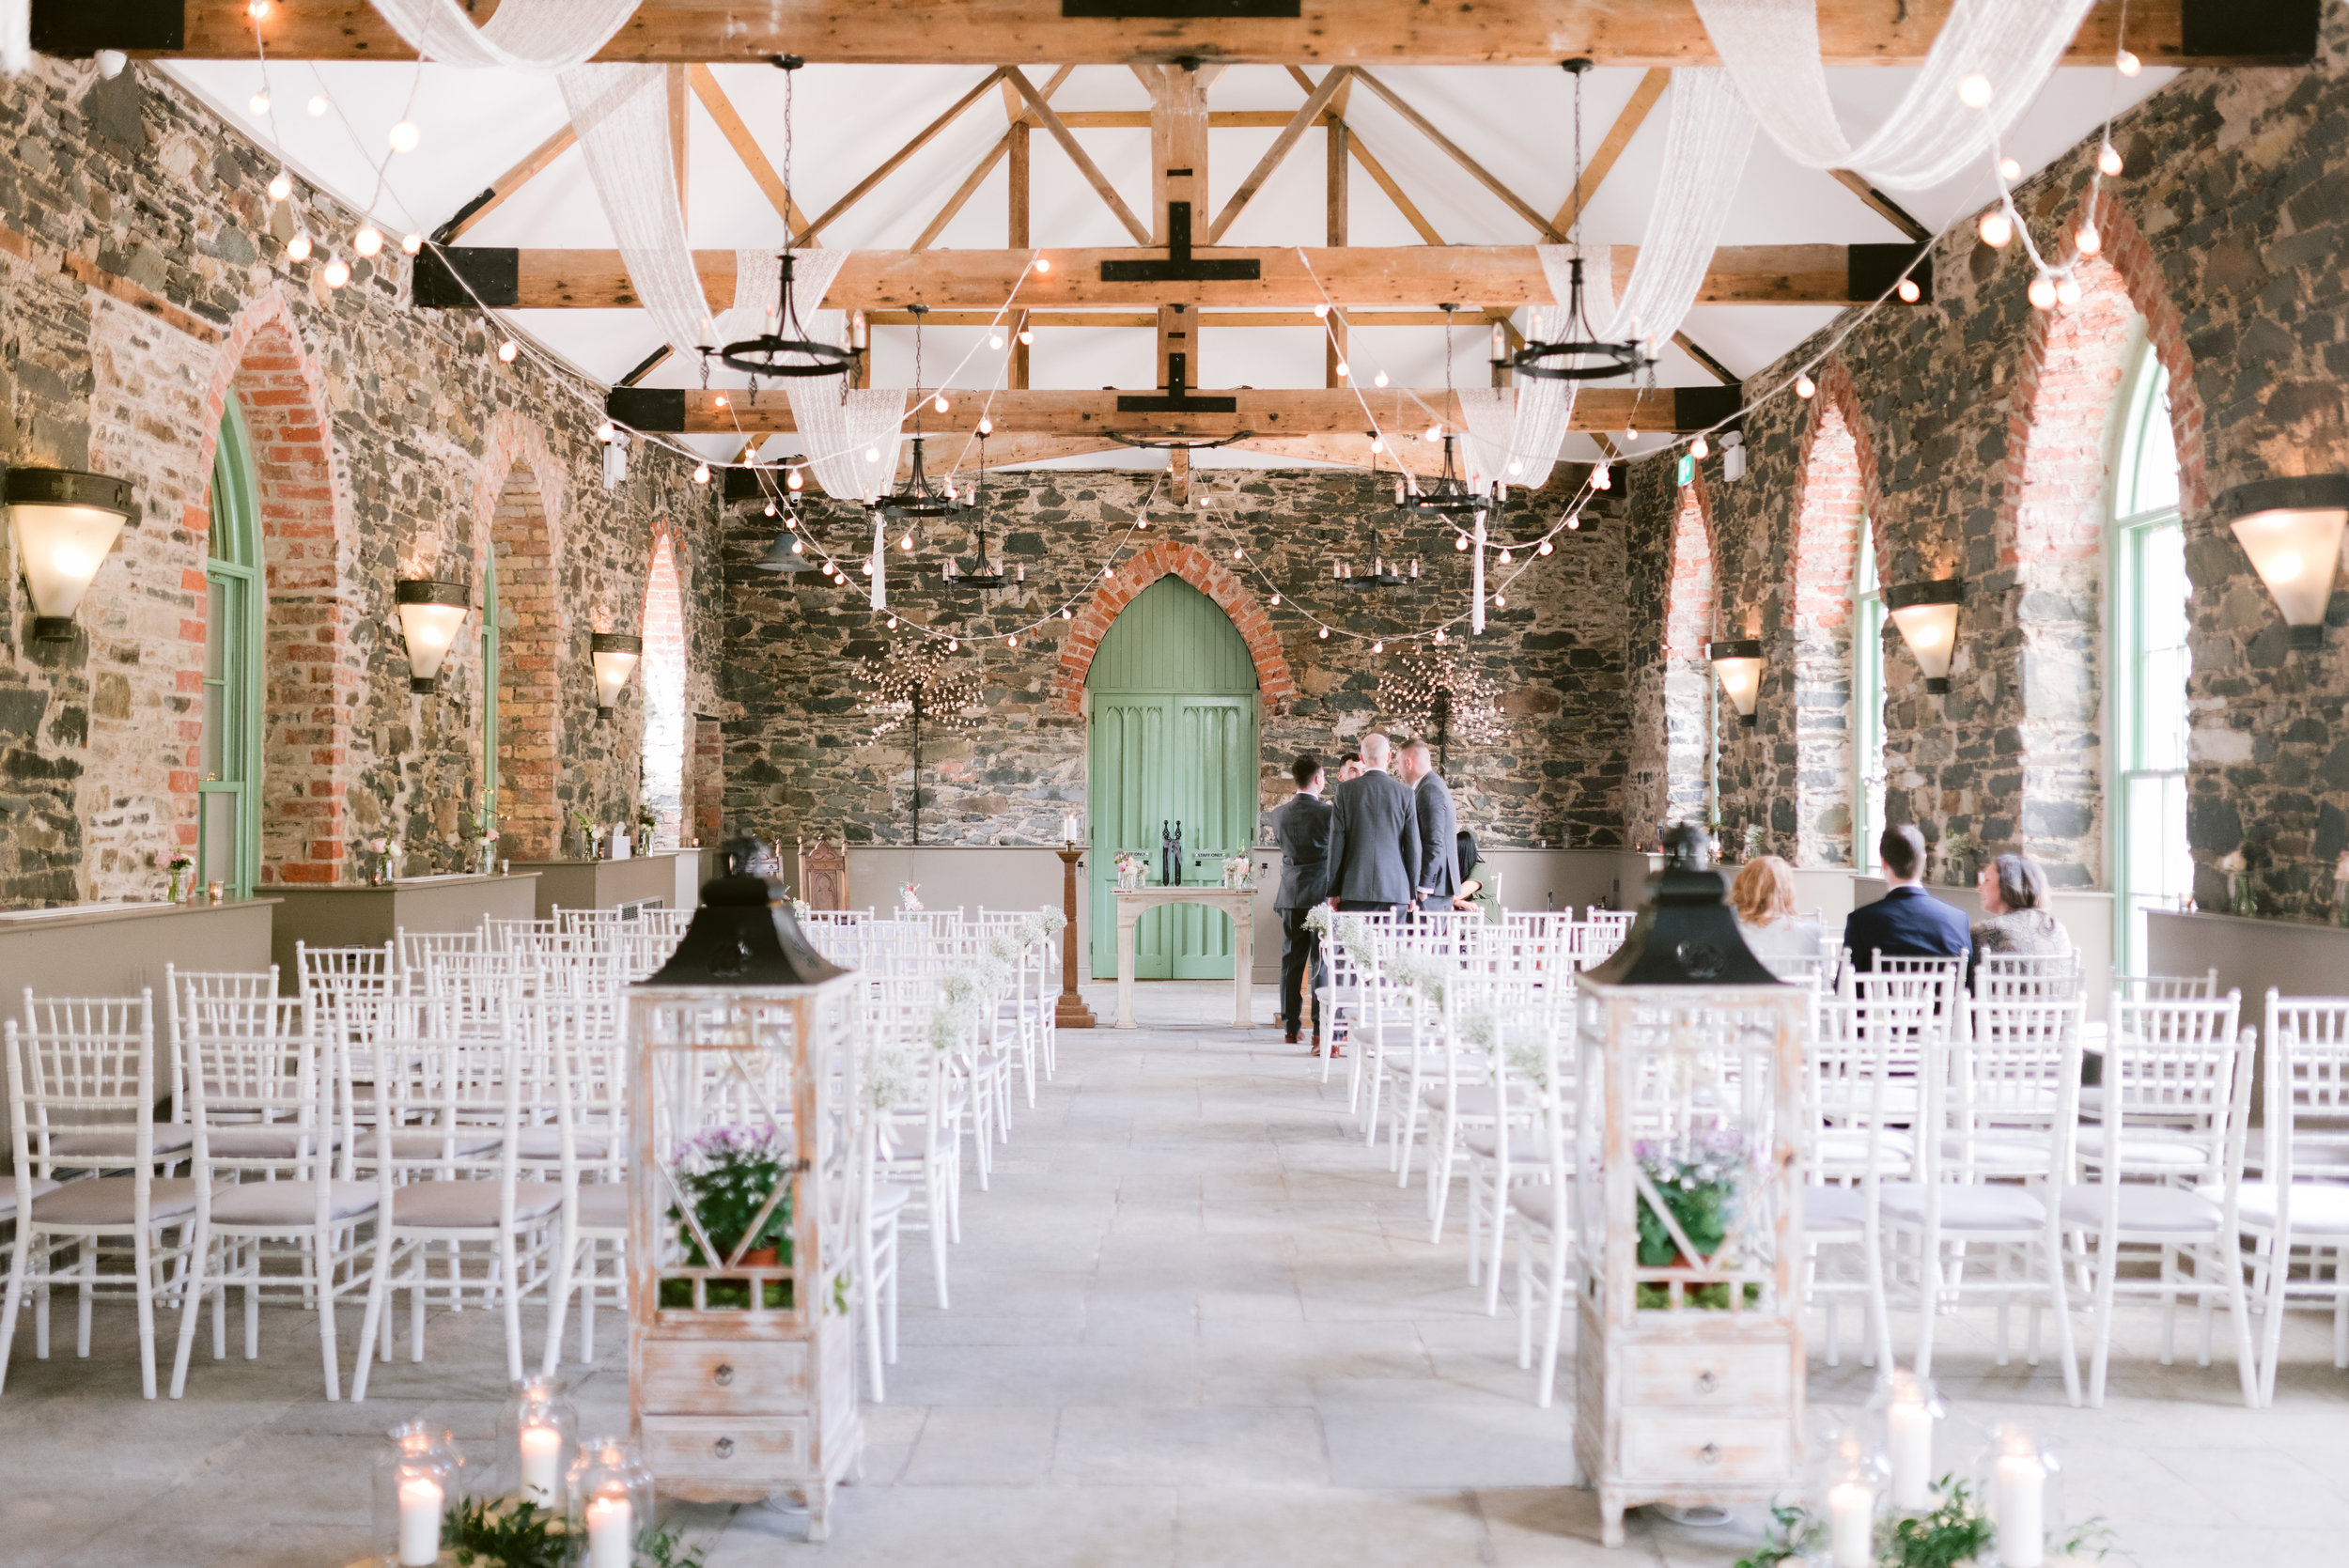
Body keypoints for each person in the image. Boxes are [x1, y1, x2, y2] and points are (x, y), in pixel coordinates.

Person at [1842, 823, 1971, 971]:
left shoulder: (1861, 921)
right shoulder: (1958, 919)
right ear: (1923, 860)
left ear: (1883, 862)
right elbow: (1967, 984)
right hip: (1943, 995)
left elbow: (1845, 985)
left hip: (1880, 995)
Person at [1271, 753, 1334, 1048]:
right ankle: (1320, 1030)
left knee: (1290, 963)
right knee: (1320, 963)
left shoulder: (1278, 814)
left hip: (1291, 894)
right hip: (1320, 895)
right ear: (1319, 779)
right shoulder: (1328, 814)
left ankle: (1290, 1027)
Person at [1323, 732, 1419, 913]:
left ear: (1362, 758)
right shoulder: (1405, 793)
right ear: (1389, 757)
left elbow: (1336, 843)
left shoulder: (1345, 791)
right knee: (1390, 943)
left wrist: (1333, 891)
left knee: (1355, 943)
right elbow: (1413, 846)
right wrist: (1412, 892)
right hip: (1395, 890)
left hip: (1354, 889)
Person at [1394, 737, 1458, 911]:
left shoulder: (1429, 789)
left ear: (1408, 762)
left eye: (1398, 763)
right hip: (1436, 890)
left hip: (1432, 891)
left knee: (1423, 938)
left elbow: (1434, 841)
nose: (1397, 768)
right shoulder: (1432, 785)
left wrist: (1424, 887)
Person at [1730, 855, 1824, 974]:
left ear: (1744, 885)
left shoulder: (1731, 929)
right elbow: (1820, 978)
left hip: (1747, 992)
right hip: (1797, 992)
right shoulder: (1811, 930)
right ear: (1788, 889)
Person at [1972, 851, 2069, 961]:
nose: (1979, 888)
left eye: (1987, 880)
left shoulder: (1987, 930)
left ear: (2008, 884)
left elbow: (1964, 976)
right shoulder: (2057, 928)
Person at [1452, 827, 1501, 923]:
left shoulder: (1479, 869)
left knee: (1446, 917)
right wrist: (1460, 903)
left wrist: (1457, 902)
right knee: (1446, 913)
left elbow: (1456, 895)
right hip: (1464, 910)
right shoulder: (1457, 870)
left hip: (1482, 913)